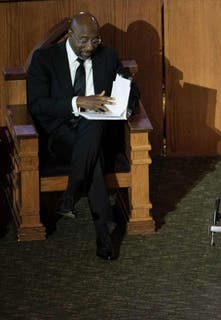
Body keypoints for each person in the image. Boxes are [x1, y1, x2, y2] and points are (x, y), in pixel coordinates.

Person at [27, 12, 139, 261]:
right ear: (70, 36)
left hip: (99, 130)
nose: (90, 47)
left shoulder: (107, 55)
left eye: (95, 40)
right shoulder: (45, 59)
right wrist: (78, 102)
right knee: (94, 158)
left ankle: (70, 195)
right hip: (61, 134)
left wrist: (126, 108)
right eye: (84, 41)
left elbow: (131, 88)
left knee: (93, 129)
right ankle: (103, 233)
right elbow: (36, 104)